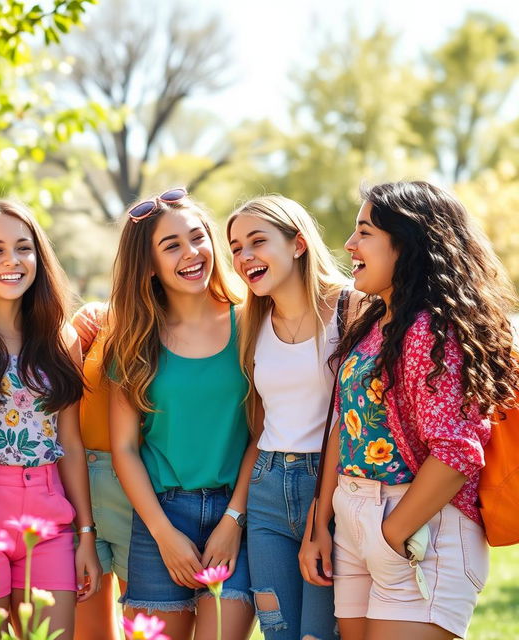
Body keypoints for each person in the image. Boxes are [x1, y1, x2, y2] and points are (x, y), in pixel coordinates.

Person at [301, 181, 518, 640]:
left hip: (421, 527)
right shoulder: (373, 324)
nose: (349, 244)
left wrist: (391, 535)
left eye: (365, 232)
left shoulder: (431, 330)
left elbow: (457, 451)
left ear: (409, 242)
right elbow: (345, 426)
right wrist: (322, 522)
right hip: (355, 514)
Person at [107, 188, 256, 640]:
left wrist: (233, 520)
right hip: (161, 517)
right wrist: (163, 534)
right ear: (148, 264)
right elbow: (125, 448)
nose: (192, 254)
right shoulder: (132, 342)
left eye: (198, 238)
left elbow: (261, 436)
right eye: (171, 246)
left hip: (239, 514)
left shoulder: (249, 323)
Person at [0, 199, 102, 640]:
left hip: (49, 510)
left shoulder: (61, 337)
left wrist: (86, 534)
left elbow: (71, 444)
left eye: (24, 248)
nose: (12, 261)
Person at [227, 195, 357, 640]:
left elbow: (353, 419)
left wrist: (321, 517)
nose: (245, 256)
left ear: (298, 244)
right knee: (279, 633)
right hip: (267, 491)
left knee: (319, 634)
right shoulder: (249, 322)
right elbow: (260, 426)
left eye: (257, 241)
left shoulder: (352, 308)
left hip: (334, 488)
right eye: (236, 248)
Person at [73, 307, 133, 640]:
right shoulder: (99, 319)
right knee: (89, 629)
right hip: (77, 479)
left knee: (142, 626)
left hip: (137, 486)